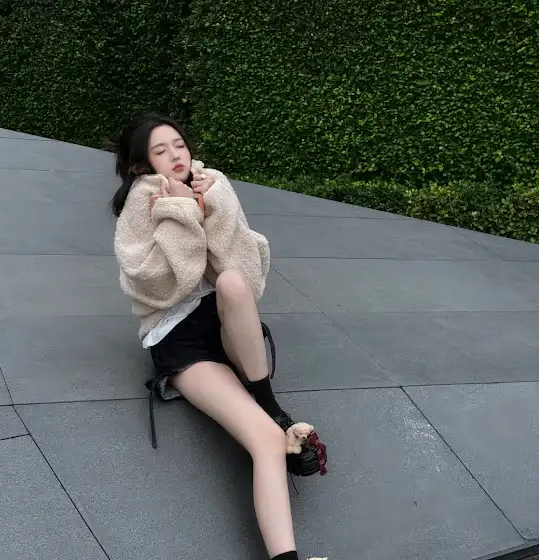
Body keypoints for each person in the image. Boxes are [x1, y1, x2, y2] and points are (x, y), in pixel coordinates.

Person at [110, 113, 327, 560]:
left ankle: (272, 408)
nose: (175, 155)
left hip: (225, 319)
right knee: (265, 441)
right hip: (179, 337)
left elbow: (247, 273)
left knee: (231, 282)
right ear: (141, 165)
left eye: (179, 144)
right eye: (160, 151)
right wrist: (179, 211)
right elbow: (158, 284)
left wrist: (215, 206)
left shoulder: (212, 183)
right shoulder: (140, 206)